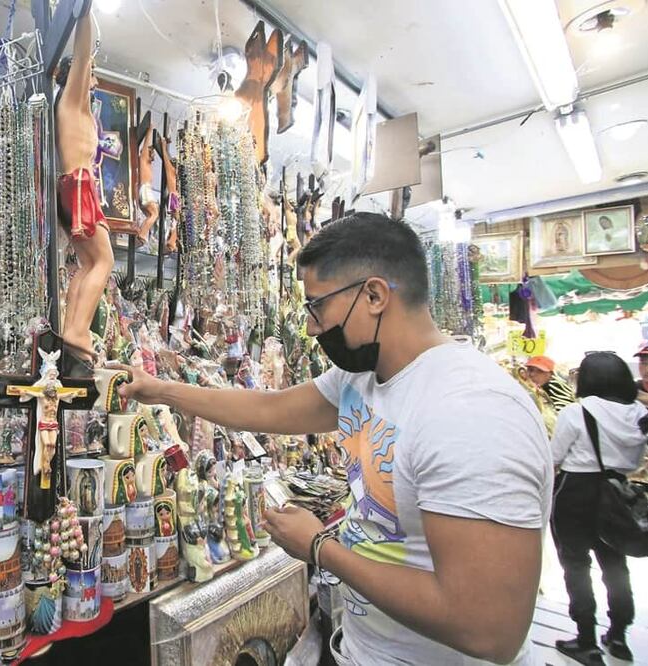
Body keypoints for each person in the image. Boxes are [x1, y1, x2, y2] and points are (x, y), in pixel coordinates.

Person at [118, 212, 552, 665]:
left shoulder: (471, 412)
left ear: (374, 295)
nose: (309, 328)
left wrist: (320, 548)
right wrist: (157, 388)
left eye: (316, 306)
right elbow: (268, 408)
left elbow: (488, 629)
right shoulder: (361, 380)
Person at [550, 351, 647, 664]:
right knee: (615, 564)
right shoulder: (638, 414)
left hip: (575, 492)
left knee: (576, 566)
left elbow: (553, 457)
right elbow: (635, 460)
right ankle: (618, 636)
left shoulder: (576, 414)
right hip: (618, 491)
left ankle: (586, 640)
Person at [54, 3, 114, 366]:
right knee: (103, 260)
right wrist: (84, 11)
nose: (94, 79)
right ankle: (77, 329)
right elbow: (82, 52)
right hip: (78, 185)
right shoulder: (72, 100)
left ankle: (71, 328)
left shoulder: (81, 110)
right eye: (92, 73)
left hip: (74, 187)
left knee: (88, 262)